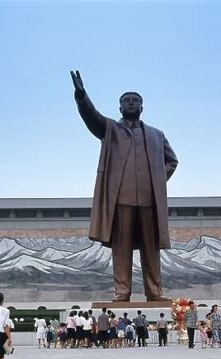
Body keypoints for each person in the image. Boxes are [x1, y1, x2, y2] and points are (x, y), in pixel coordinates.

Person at [71, 70, 178, 302]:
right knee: (121, 250)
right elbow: (92, 117)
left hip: (149, 201)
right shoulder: (111, 129)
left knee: (152, 249)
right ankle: (122, 292)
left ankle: (154, 292)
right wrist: (82, 96)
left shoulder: (156, 135)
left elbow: (172, 161)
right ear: (120, 108)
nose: (131, 103)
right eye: (125, 101)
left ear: (142, 106)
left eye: (135, 100)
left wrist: (158, 179)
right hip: (120, 200)